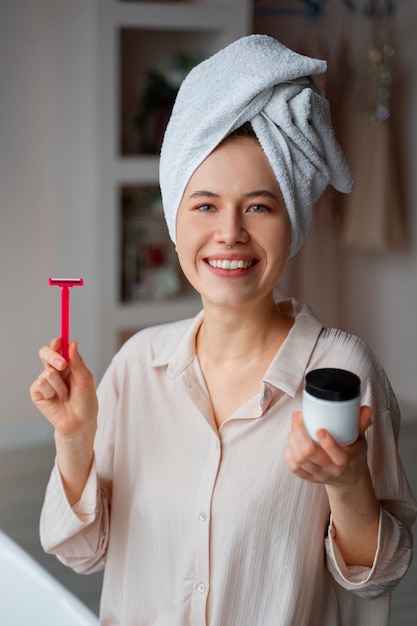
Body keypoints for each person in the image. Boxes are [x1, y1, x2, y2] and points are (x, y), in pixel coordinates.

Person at [30, 35, 416, 626]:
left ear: (294, 221)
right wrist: (76, 437)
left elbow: (379, 578)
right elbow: (81, 553)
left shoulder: (343, 372)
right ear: (175, 219)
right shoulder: (136, 367)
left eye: (259, 206)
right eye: (205, 206)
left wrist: (347, 483)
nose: (230, 233)